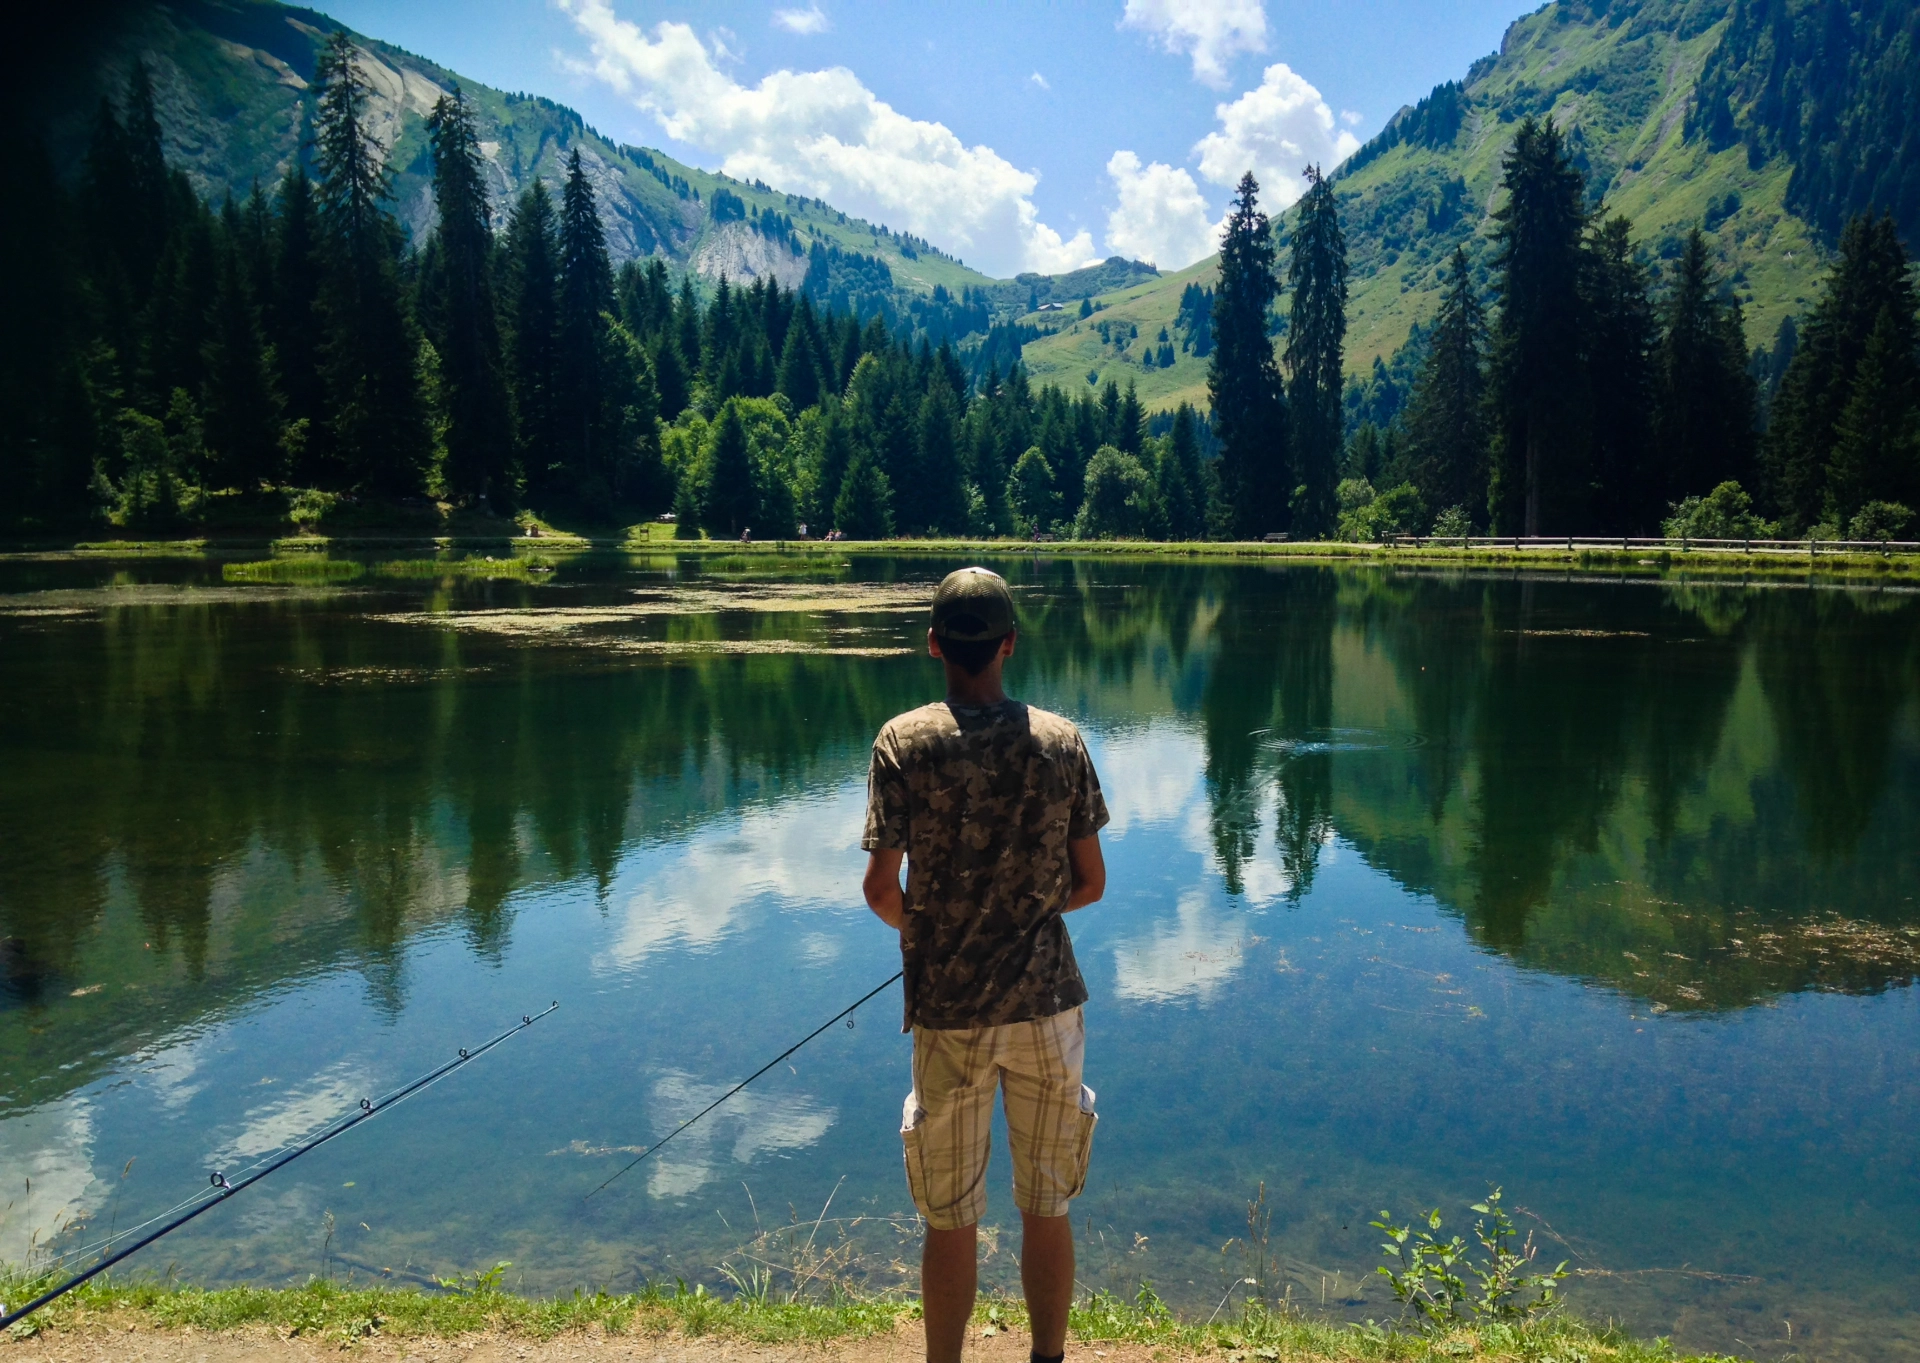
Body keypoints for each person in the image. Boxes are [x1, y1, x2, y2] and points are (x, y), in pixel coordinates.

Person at [862, 566, 1109, 1363]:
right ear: (1008, 642)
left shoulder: (903, 743)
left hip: (950, 1012)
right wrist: (1024, 917)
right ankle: (1047, 1358)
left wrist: (934, 931)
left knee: (951, 1215)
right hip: (1047, 1005)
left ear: (934, 643)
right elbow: (1091, 883)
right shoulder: (1062, 742)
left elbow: (880, 889)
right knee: (1046, 1203)